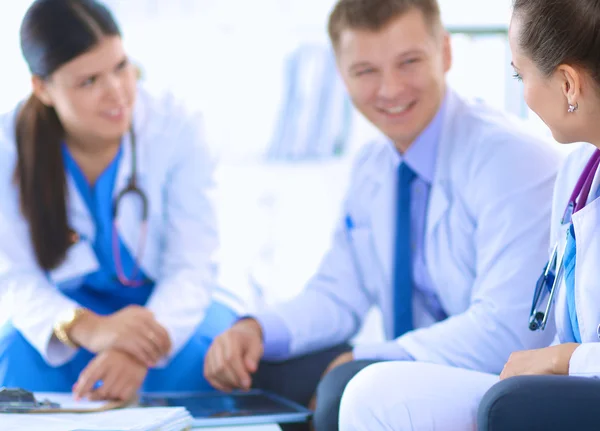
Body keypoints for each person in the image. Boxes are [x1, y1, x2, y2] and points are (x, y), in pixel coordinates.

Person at [203, 0, 561, 430]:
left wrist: (369, 357)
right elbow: (338, 293)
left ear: (445, 54)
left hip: (498, 377)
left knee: (343, 384)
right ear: (342, 75)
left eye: (408, 62)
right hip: (424, 367)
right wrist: (256, 330)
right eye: (366, 71)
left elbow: (507, 331)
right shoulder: (373, 165)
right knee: (264, 371)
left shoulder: (509, 158)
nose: (389, 89)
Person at [338, 0, 600, 430]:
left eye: (521, 73)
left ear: (568, 84)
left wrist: (563, 358)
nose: (521, 91)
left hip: (582, 388)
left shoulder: (508, 156)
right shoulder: (577, 173)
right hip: (571, 387)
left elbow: (548, 344)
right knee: (373, 395)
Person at [0, 0, 239, 402]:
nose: (117, 93)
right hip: (70, 322)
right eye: (89, 81)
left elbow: (191, 265)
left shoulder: (174, 126)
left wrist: (137, 347)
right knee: (14, 371)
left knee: (216, 368)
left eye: (121, 67)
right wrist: (89, 328)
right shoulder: (8, 147)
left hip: (167, 315)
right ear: (42, 88)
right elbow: (13, 275)